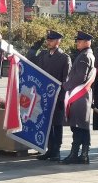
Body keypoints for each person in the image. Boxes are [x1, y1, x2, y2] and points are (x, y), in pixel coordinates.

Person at [32, 30, 72, 161]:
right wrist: (34, 48)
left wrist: (62, 98)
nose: (48, 42)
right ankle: (49, 149)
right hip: (44, 96)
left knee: (56, 124)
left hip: (57, 97)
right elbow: (32, 62)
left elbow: (66, 80)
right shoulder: (43, 55)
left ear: (58, 41)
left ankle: (56, 150)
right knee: (46, 124)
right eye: (48, 40)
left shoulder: (64, 58)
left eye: (51, 40)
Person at [61, 31, 95, 165]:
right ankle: (83, 155)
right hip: (83, 96)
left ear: (87, 42)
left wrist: (66, 85)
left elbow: (80, 77)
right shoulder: (87, 55)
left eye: (79, 41)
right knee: (82, 127)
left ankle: (75, 154)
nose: (77, 43)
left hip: (79, 96)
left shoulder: (84, 56)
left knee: (78, 127)